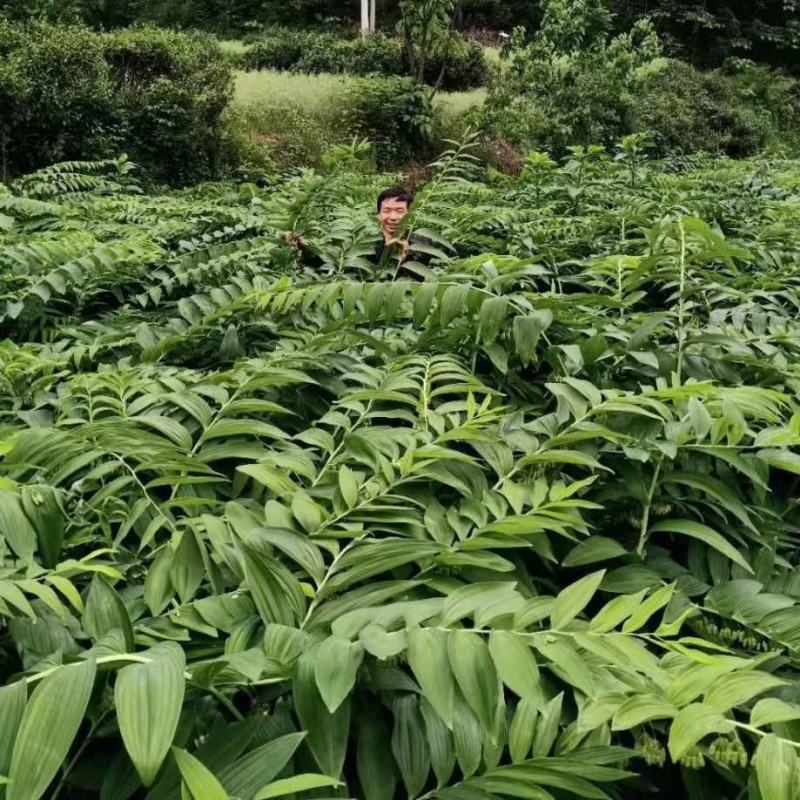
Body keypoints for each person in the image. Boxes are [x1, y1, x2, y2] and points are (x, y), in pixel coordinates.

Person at [285, 186, 433, 279]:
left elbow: (422, 278)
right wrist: (304, 247)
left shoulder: (420, 244)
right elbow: (334, 265)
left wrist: (404, 257)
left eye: (400, 211)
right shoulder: (367, 243)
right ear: (378, 215)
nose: (393, 217)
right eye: (387, 211)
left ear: (409, 214)